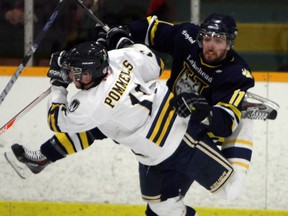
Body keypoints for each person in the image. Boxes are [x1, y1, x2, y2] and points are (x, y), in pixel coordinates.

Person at [8, 25, 248, 215]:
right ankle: (44, 157)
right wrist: (119, 43)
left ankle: (246, 120)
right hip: (150, 147)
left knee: (231, 189)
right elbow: (156, 65)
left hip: (180, 139)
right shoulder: (116, 59)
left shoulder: (92, 104)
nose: (74, 78)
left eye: (77, 74)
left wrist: (58, 84)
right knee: (161, 208)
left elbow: (57, 120)